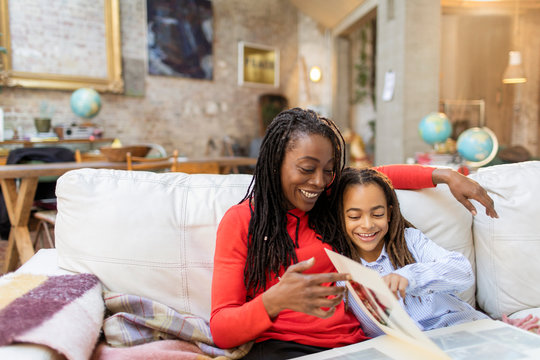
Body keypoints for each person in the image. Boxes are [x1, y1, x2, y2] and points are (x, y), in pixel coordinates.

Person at [210, 108, 497, 360]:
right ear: (275, 162)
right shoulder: (242, 221)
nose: (319, 181)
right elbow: (222, 329)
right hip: (282, 346)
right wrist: (274, 300)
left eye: (329, 170)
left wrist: (445, 176)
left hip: (353, 346)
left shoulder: (327, 200)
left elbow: (376, 177)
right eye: (307, 168)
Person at [335, 167, 489, 338]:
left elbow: (463, 272)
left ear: (389, 214)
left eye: (377, 214)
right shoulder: (341, 269)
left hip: (460, 327)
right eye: (354, 217)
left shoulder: (410, 240)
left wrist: (410, 277)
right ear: (340, 217)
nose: (367, 225)